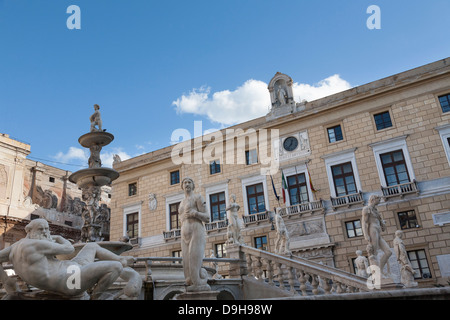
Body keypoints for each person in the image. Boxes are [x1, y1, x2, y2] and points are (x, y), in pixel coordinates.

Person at [0, 219, 137, 300]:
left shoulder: (15, 246)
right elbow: (69, 249)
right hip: (70, 281)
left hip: (71, 269)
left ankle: (122, 260)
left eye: (47, 229)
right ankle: (93, 297)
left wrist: (6, 281)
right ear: (29, 231)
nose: (46, 233)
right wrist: (59, 238)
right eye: (42, 230)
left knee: (91, 246)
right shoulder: (37, 244)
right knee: (115, 267)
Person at [178, 177, 211, 292]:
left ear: (193, 185)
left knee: (194, 260)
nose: (187, 184)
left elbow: (207, 217)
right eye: (185, 183)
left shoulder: (198, 197)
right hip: (184, 234)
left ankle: (198, 283)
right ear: (182, 186)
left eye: (189, 182)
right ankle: (192, 283)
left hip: (196, 231)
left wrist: (195, 213)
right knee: (186, 264)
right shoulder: (181, 203)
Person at [361, 195, 392, 275]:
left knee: (388, 252)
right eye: (379, 199)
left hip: (378, 231)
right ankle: (376, 273)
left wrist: (383, 223)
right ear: (373, 199)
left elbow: (382, 227)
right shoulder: (366, 209)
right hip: (373, 230)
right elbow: (364, 223)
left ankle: (380, 270)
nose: (380, 201)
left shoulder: (376, 210)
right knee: (374, 253)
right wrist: (366, 235)